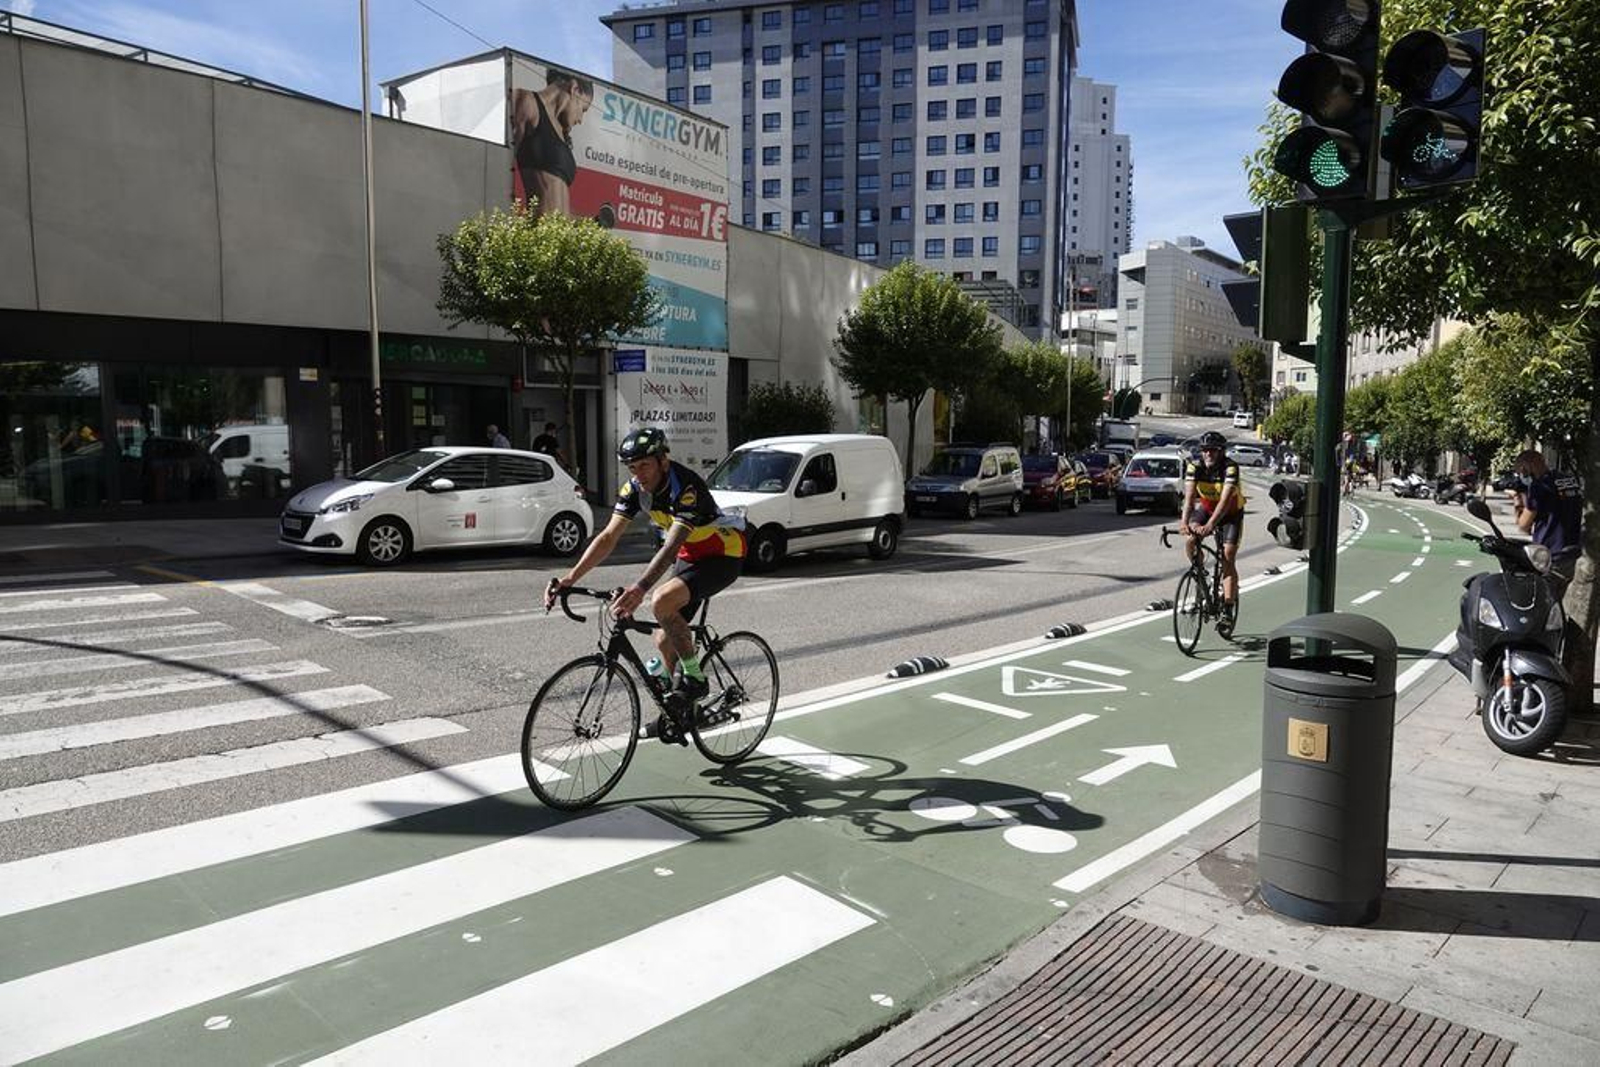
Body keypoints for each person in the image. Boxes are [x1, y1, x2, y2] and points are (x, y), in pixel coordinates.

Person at [544, 428, 746, 742]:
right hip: (690, 555)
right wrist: (571, 578)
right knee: (664, 640)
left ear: (663, 461)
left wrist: (638, 589)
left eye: (645, 466)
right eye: (632, 468)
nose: (639, 475)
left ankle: (695, 678)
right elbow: (608, 537)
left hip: (723, 553)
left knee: (660, 600)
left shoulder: (686, 487)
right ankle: (682, 713)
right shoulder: (635, 489)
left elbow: (668, 549)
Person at [510, 69, 594, 219]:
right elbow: (499, 166)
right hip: (538, 235)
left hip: (560, 237)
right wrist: (515, 219)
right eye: (583, 110)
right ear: (574, 89)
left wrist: (592, 222)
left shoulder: (562, 134)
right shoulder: (527, 102)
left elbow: (559, 208)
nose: (580, 119)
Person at [1180, 431, 1246, 622]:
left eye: (1213, 451)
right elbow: (1190, 499)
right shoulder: (1194, 466)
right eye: (1205, 450)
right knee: (1191, 540)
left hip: (1231, 514)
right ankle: (1200, 574)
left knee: (1227, 557)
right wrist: (1185, 522)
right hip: (1207, 509)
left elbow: (1225, 502)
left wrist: (1210, 525)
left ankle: (1227, 608)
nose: (1208, 454)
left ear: (1222, 452)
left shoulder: (1230, 468)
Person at [1507, 449, 1583, 596]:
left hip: (1550, 553)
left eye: (1521, 471)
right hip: (1574, 550)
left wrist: (1517, 500)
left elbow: (1524, 525)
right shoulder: (1569, 480)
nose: (1521, 475)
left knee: (1545, 599)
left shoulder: (1539, 486)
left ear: (1527, 466)